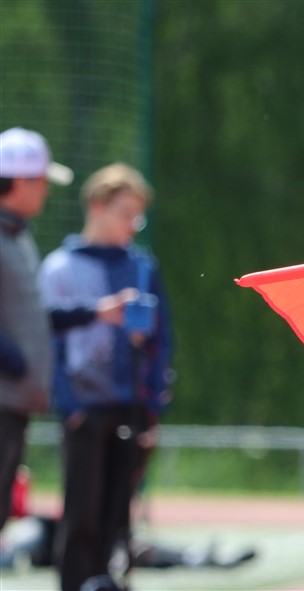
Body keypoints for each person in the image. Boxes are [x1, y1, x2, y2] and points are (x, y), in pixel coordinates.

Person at [37, 163, 174, 591]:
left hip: (130, 405)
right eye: (124, 213)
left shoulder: (142, 267)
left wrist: (153, 404)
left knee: (119, 511)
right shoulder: (60, 268)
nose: (132, 224)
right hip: (84, 406)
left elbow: (162, 340)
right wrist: (69, 404)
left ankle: (108, 583)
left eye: (138, 216)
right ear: (97, 206)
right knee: (82, 511)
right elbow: (49, 342)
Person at [0, 127, 73, 533]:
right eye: (42, 181)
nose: (46, 190)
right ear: (22, 181)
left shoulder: (17, 235)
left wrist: (92, 313)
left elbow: (33, 315)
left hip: (14, 401)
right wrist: (15, 362)